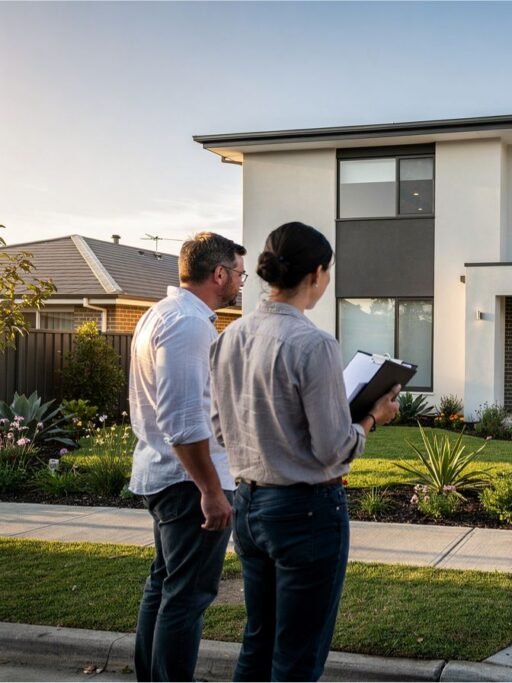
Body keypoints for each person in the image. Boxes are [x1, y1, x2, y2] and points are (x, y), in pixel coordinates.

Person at [209, 221, 400, 681]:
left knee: (259, 642)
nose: (328, 279)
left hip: (249, 506)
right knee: (297, 656)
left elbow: (220, 429)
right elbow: (333, 448)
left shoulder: (228, 338)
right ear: (316, 274)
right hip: (306, 513)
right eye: (328, 271)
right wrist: (372, 418)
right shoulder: (314, 343)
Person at [128, 232, 246, 681]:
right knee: (187, 596)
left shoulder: (161, 315)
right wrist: (211, 492)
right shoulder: (188, 324)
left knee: (164, 587)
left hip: (168, 477)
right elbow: (182, 419)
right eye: (238, 273)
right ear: (218, 274)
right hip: (186, 484)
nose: (240, 282)